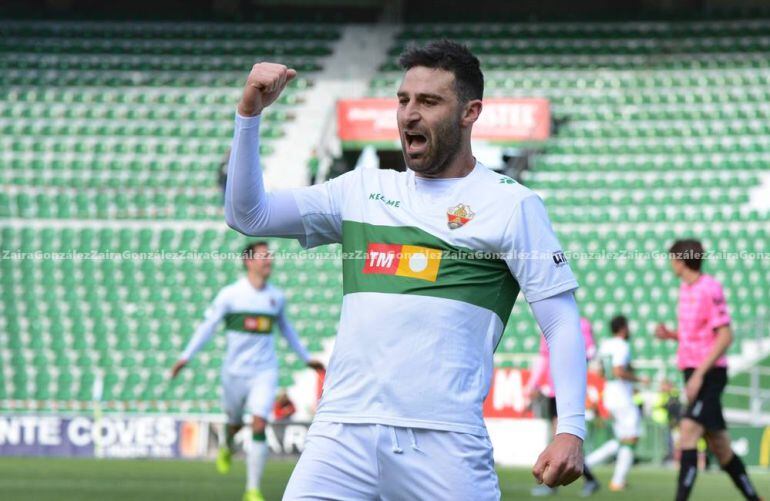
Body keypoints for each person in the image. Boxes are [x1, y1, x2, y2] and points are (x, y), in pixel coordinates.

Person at [225, 40, 588, 500]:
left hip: (443, 441)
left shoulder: (511, 205)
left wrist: (570, 428)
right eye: (403, 100)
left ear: (470, 112)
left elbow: (559, 321)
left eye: (429, 101)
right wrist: (249, 113)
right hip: (340, 435)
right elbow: (248, 216)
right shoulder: (360, 190)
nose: (409, 114)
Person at [170, 241, 324, 501]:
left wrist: (308, 359)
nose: (269, 261)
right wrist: (186, 357)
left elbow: (288, 331)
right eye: (264, 256)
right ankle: (227, 446)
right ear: (248, 261)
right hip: (234, 373)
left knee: (259, 422)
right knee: (234, 424)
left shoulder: (276, 297)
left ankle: (252, 489)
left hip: (264, 372)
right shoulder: (230, 295)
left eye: (270, 256)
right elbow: (207, 327)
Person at [655, 239, 762, 501]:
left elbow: (725, 336)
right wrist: (672, 335)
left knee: (688, 431)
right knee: (721, 447)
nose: (671, 264)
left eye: (672, 259)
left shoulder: (709, 288)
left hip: (709, 374)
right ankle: (754, 497)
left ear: (681, 261)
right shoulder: (685, 289)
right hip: (693, 372)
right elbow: (697, 335)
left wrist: (700, 376)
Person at [527, 317, 597, 497]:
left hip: (567, 391)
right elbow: (543, 357)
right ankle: (556, 482)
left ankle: (583, 480)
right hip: (552, 391)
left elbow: (589, 352)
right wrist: (533, 385)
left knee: (562, 439)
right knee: (557, 438)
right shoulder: (547, 323)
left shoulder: (581, 324)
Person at [582, 315, 648, 495]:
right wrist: (639, 379)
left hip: (609, 394)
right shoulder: (622, 345)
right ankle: (617, 480)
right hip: (621, 397)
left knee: (622, 440)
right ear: (623, 328)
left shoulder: (605, 345)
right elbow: (619, 371)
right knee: (631, 438)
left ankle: (589, 464)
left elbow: (598, 370)